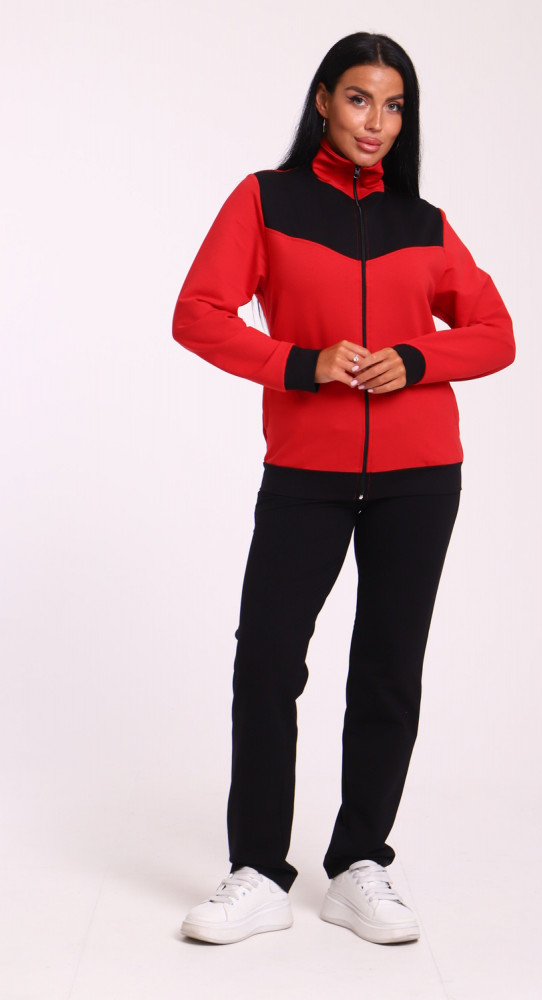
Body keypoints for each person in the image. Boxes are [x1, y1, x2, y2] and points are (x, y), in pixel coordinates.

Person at [173, 31, 515, 946]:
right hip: (306, 473)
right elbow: (197, 314)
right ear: (323, 99)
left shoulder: (423, 221)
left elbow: (495, 332)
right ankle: (256, 872)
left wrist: (415, 358)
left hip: (419, 478)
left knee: (388, 670)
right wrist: (301, 362)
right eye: (360, 99)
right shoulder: (266, 199)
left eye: (394, 106)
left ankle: (360, 864)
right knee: (267, 662)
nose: (377, 122)